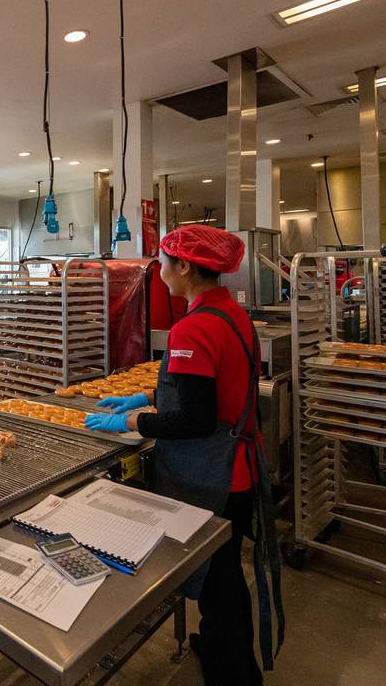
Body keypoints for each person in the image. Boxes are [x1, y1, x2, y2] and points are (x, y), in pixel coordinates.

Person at [85, 225, 284, 686]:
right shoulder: (233, 315)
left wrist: (133, 422)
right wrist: (144, 396)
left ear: (186, 267)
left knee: (218, 582)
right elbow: (206, 387)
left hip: (213, 475)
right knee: (224, 573)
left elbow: (195, 419)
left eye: (163, 262)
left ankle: (234, 676)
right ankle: (216, 646)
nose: (160, 272)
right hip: (240, 468)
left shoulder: (193, 328)